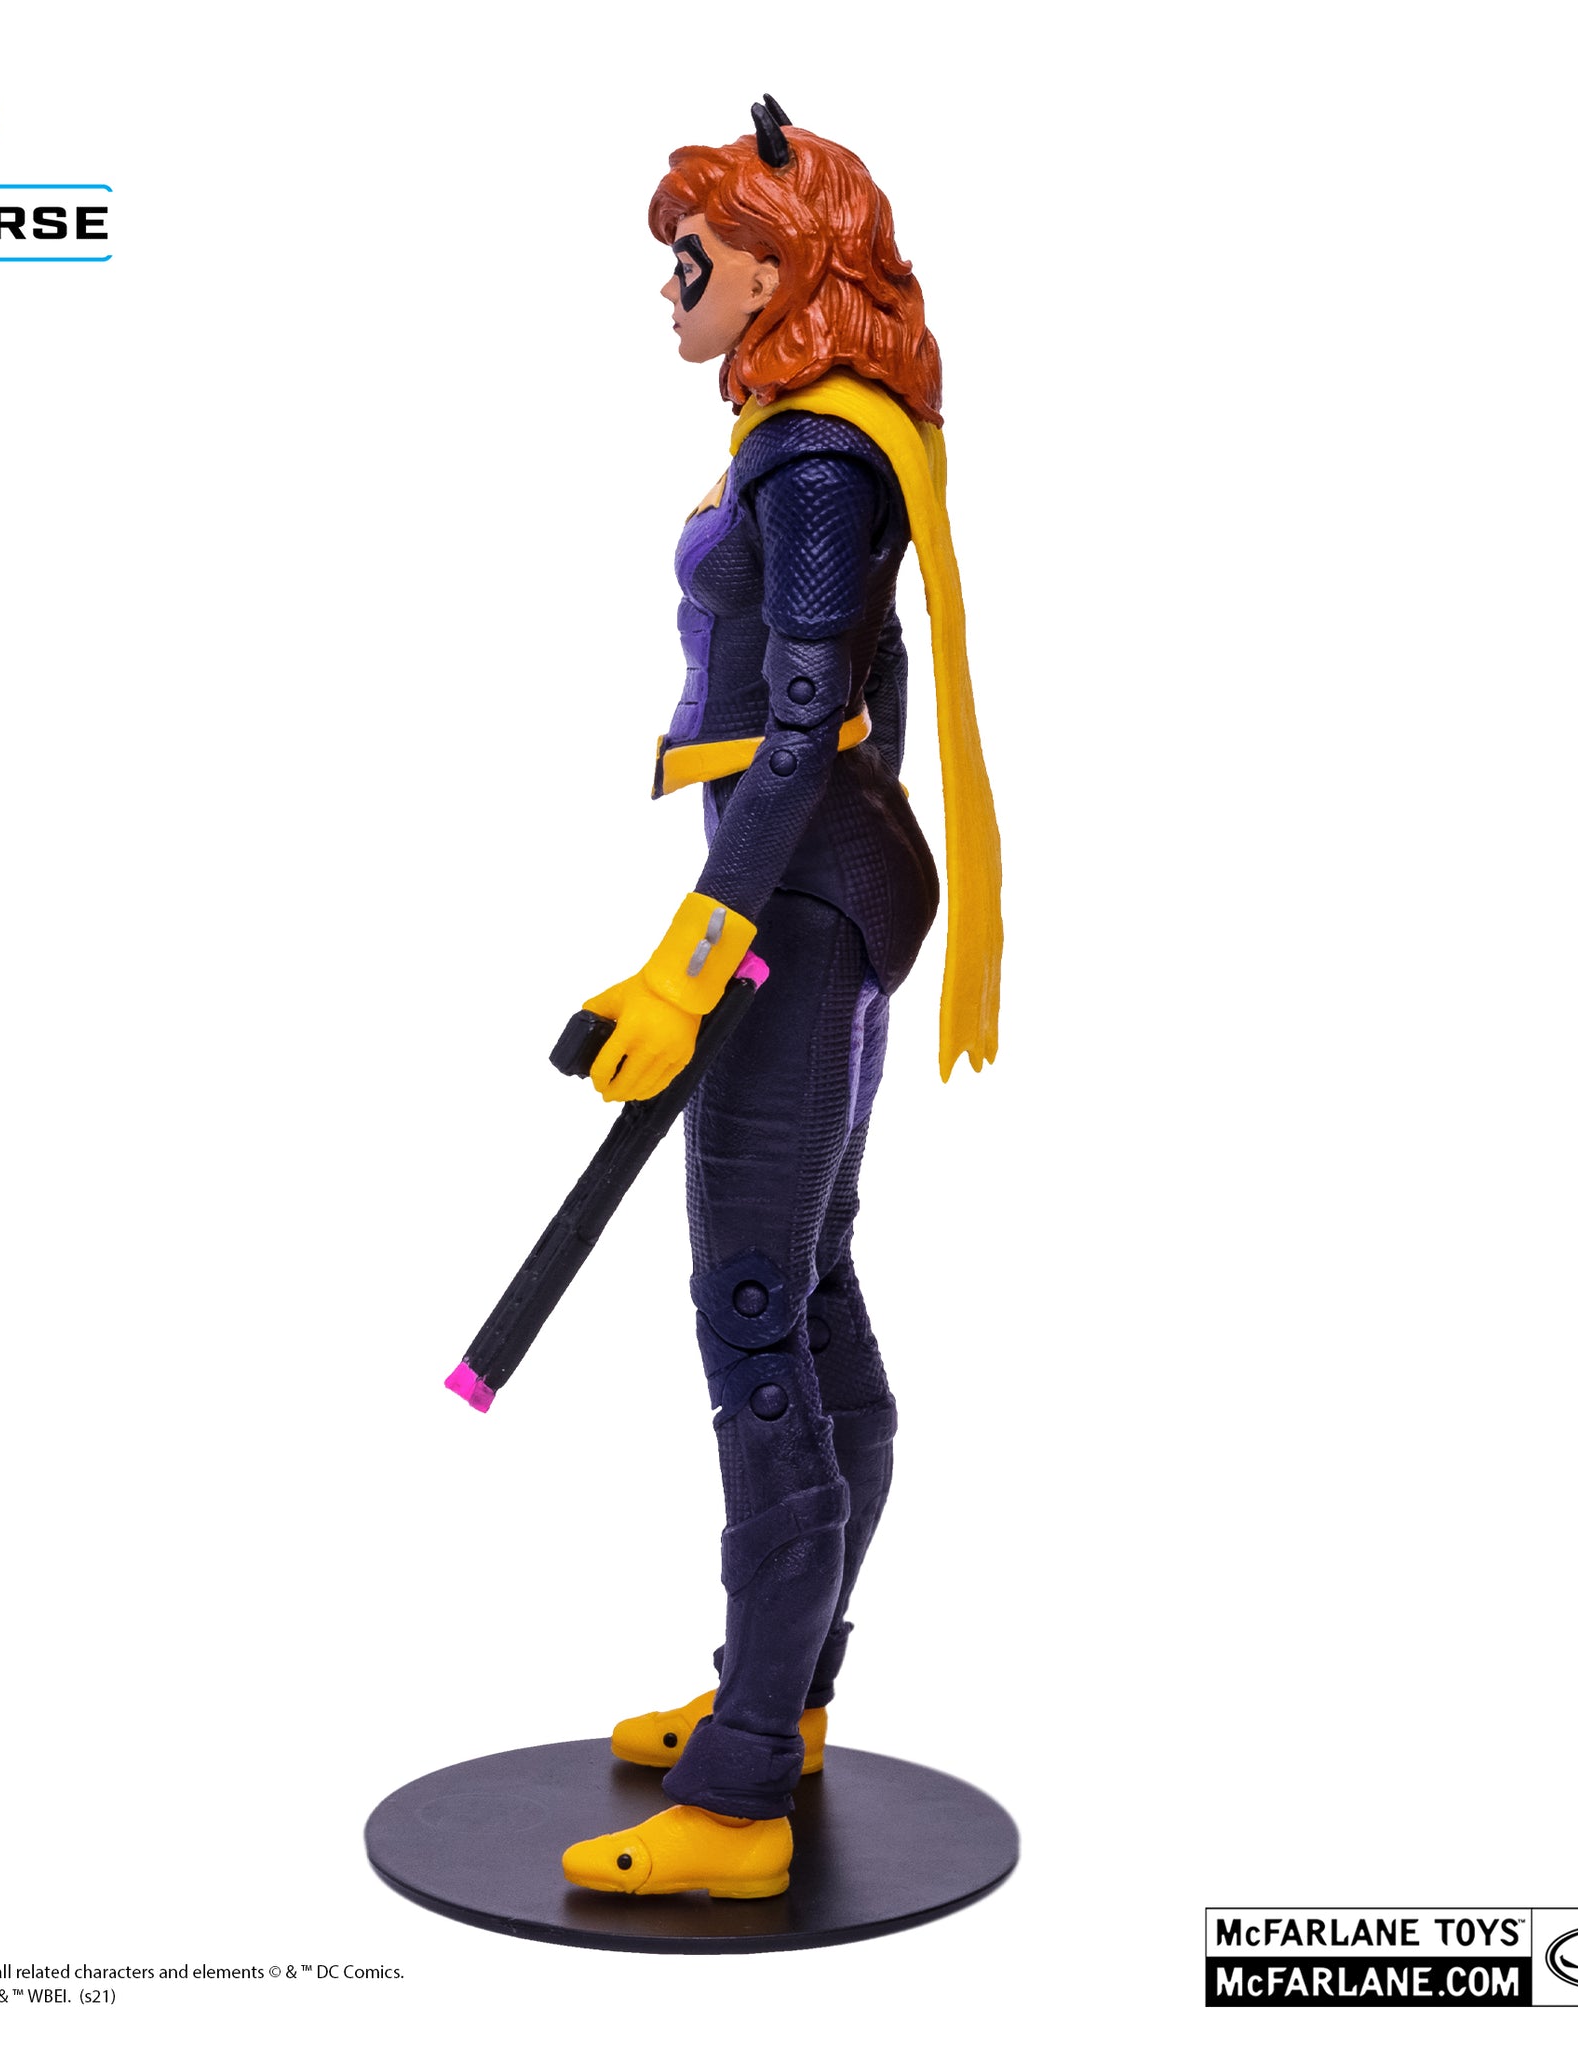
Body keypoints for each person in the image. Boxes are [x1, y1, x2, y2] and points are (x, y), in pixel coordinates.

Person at [559, 99, 1002, 1900]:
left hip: (799, 897)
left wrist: (692, 966)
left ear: (776, 262)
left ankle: (744, 1799)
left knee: (755, 1313)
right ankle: (782, 1701)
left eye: (691, 252)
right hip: (808, 883)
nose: (668, 282)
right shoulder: (801, 436)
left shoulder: (816, 460)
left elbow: (808, 728)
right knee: (805, 1294)